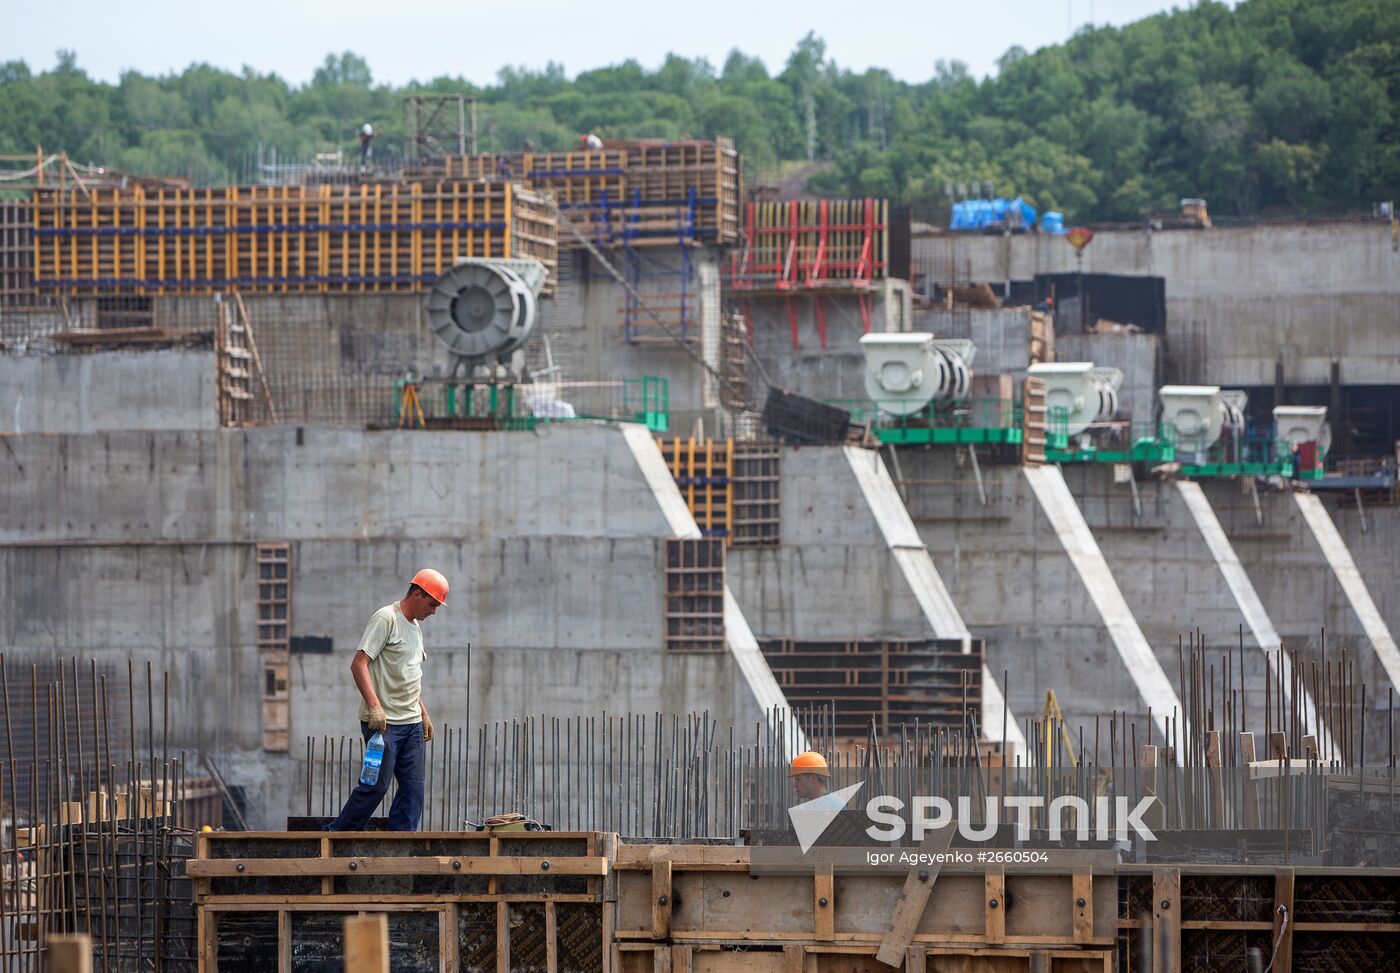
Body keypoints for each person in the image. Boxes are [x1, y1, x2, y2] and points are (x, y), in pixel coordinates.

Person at [323, 569, 448, 832]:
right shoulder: (386, 618)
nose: (434, 611)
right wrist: (375, 707)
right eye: (432, 604)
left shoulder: (415, 628)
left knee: (413, 790)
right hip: (384, 725)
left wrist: (424, 713)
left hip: (411, 724)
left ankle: (401, 843)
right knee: (375, 785)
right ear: (417, 594)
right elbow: (359, 664)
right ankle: (337, 836)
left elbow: (407, 677)